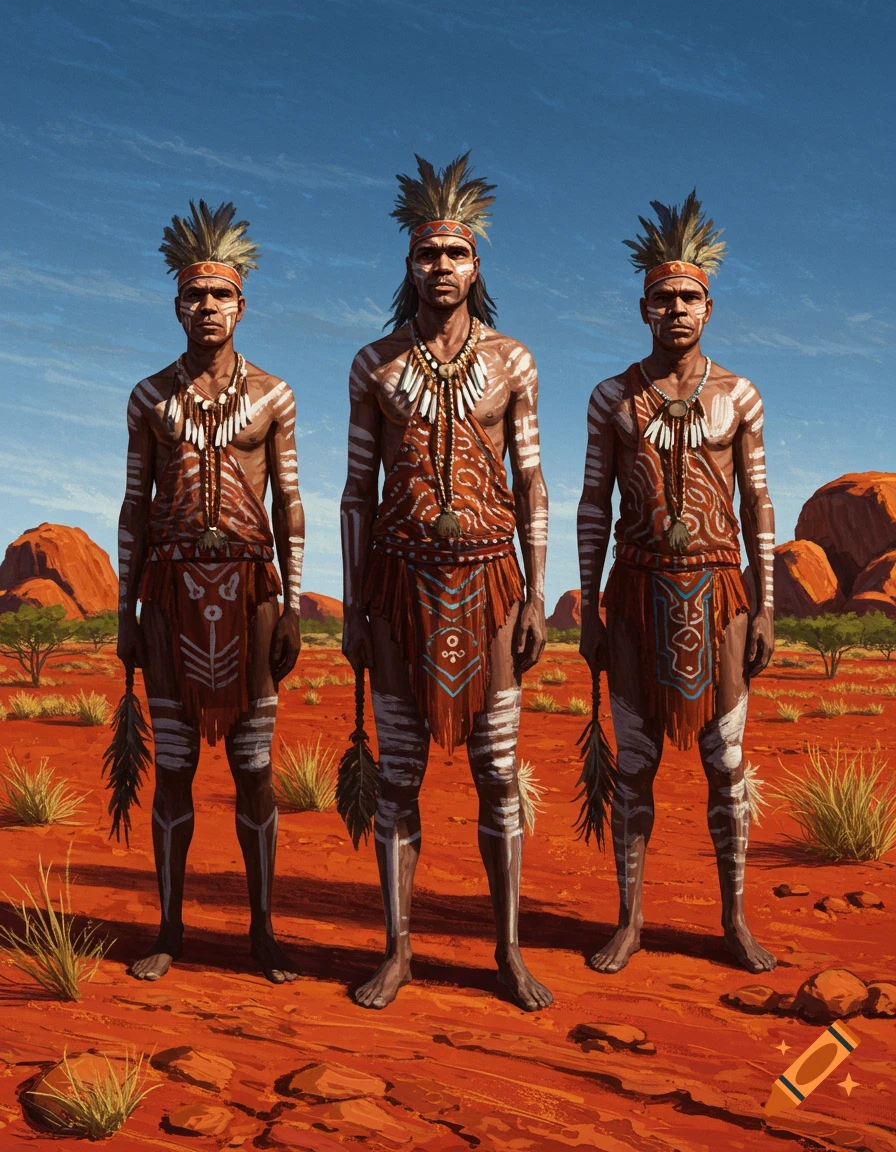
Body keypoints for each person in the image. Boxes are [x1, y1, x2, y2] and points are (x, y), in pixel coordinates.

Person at [340, 154, 553, 1011]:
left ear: (477, 265)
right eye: (428, 254)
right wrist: (353, 606)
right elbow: (357, 491)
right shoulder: (374, 365)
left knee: (497, 773)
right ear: (409, 264)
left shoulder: (514, 362)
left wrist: (538, 593)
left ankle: (507, 950)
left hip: (492, 586)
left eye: (456, 253)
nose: (441, 266)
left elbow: (531, 480)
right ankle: (398, 951)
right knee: (399, 776)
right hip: (399, 589)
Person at [577, 191, 776, 974]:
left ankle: (733, 920)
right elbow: (595, 501)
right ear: (643, 310)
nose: (677, 310)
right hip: (635, 596)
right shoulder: (612, 397)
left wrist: (767, 605)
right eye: (663, 299)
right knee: (635, 765)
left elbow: (758, 501)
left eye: (689, 297)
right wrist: (587, 609)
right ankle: (630, 921)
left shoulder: (739, 395)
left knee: (725, 765)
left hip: (720, 596)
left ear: (709, 307)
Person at [117, 201, 304, 983]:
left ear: (242, 305)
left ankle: (262, 931)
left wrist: (294, 604)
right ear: (176, 307)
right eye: (194, 295)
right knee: (175, 766)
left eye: (221, 295)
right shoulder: (149, 398)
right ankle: (170, 929)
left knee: (254, 767)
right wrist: (125, 608)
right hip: (169, 596)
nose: (207, 307)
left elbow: (289, 500)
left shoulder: (274, 395)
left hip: (252, 593)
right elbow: (134, 503)